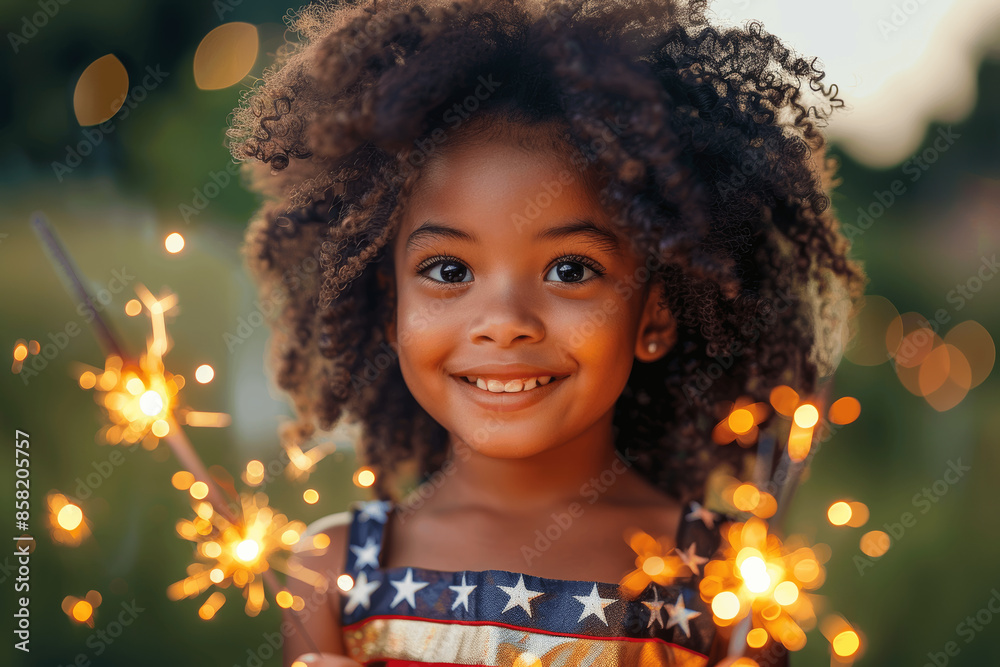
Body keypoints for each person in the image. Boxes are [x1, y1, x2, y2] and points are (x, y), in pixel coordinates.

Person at [226, 0, 867, 664]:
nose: (504, 322)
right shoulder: (334, 572)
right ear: (389, 309)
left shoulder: (725, 584)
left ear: (654, 313)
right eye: (448, 269)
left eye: (570, 269)